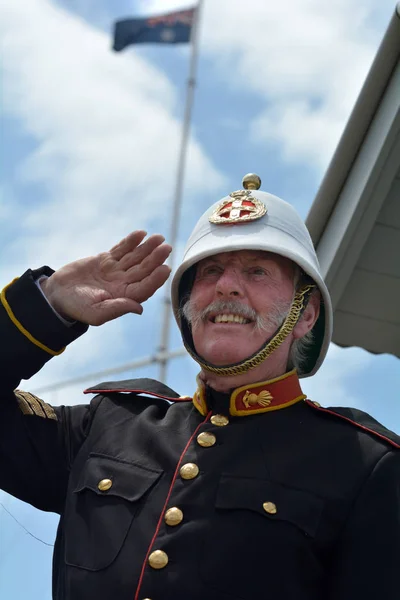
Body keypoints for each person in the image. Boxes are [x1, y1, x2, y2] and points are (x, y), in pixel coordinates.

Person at [1, 173, 399, 600]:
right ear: (187, 309)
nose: (226, 285)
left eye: (257, 271)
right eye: (210, 271)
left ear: (306, 314)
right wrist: (47, 306)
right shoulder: (108, 425)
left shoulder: (366, 466)